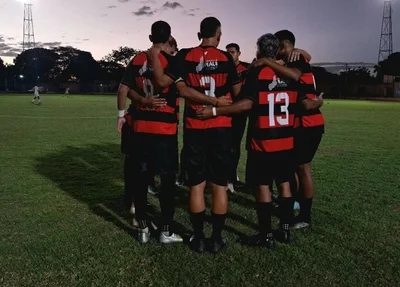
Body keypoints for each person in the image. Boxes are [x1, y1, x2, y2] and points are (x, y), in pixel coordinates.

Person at [196, 33, 323, 248]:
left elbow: (246, 104)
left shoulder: (258, 72)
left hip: (263, 141)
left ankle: (266, 235)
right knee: (284, 183)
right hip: (286, 139)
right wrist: (319, 101)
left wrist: (216, 110)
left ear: (260, 50)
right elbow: (303, 102)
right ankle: (284, 230)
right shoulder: (290, 75)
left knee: (262, 185)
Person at [149, 17, 241, 254]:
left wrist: (153, 54)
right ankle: (217, 239)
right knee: (219, 185)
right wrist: (215, 101)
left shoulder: (185, 56)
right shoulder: (226, 60)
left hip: (194, 127)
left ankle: (198, 238)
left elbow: (161, 82)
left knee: (197, 186)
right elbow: (238, 95)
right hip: (221, 126)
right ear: (218, 35)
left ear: (199, 34)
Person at [117, 21, 184, 244]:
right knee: (166, 180)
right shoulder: (173, 60)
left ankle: (143, 228)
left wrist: (141, 101)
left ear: (150, 37)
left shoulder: (137, 59)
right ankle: (165, 229)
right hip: (164, 129)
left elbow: (126, 89)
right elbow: (169, 84)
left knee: (141, 177)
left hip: (140, 129)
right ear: (169, 37)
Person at [274, 30, 325, 229]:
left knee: (303, 169)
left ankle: (305, 216)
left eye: (278, 46)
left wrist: (316, 102)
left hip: (307, 124)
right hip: (303, 124)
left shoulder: (296, 62)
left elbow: (304, 103)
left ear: (284, 46)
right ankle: (294, 203)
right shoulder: (298, 58)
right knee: (295, 167)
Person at [225, 43, 250, 192]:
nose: (230, 55)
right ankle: (226, 177)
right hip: (225, 111)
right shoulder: (224, 68)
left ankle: (231, 177)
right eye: (227, 53)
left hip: (239, 113)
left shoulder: (245, 70)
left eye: (232, 52)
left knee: (234, 146)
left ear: (239, 53)